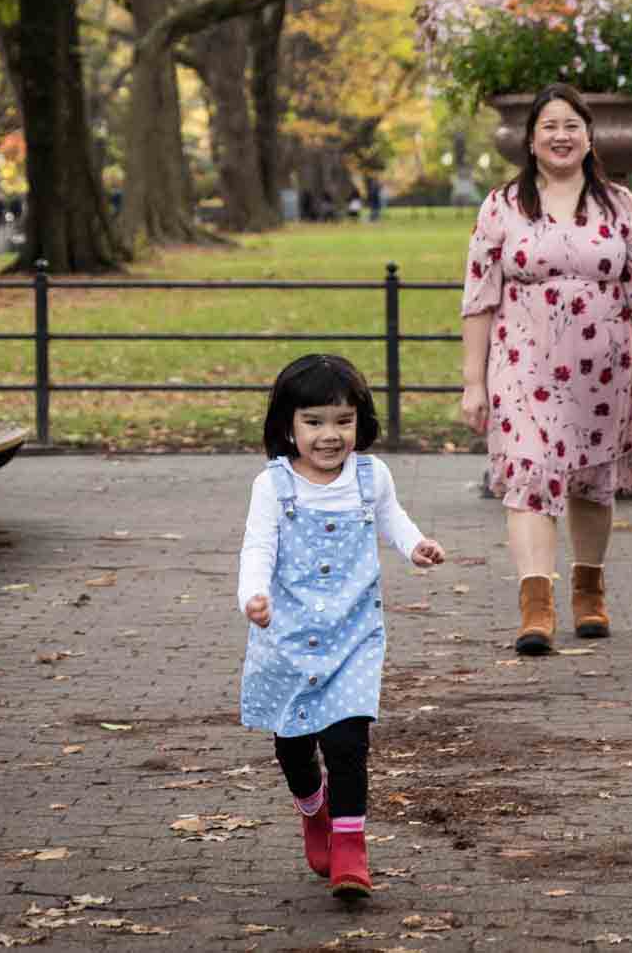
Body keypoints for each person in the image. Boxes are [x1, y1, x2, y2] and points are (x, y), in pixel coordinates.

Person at [459, 83, 632, 655]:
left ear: (589, 136)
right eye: (549, 126)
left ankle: (589, 591)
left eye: (572, 126)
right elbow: (479, 297)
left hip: (603, 369)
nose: (560, 136)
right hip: (523, 364)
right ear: (530, 140)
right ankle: (535, 607)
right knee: (529, 471)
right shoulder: (501, 206)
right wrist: (473, 382)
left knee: (592, 480)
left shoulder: (619, 204)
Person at [238, 354, 446, 900]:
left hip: (354, 634)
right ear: (288, 424)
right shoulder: (272, 485)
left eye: (343, 421)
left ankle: (351, 849)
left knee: (347, 739)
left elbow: (393, 519)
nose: (329, 436)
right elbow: (258, 546)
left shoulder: (371, 476)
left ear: (360, 421)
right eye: (314, 422)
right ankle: (313, 809)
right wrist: (252, 596)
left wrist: (415, 545)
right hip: (285, 635)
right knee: (293, 745)